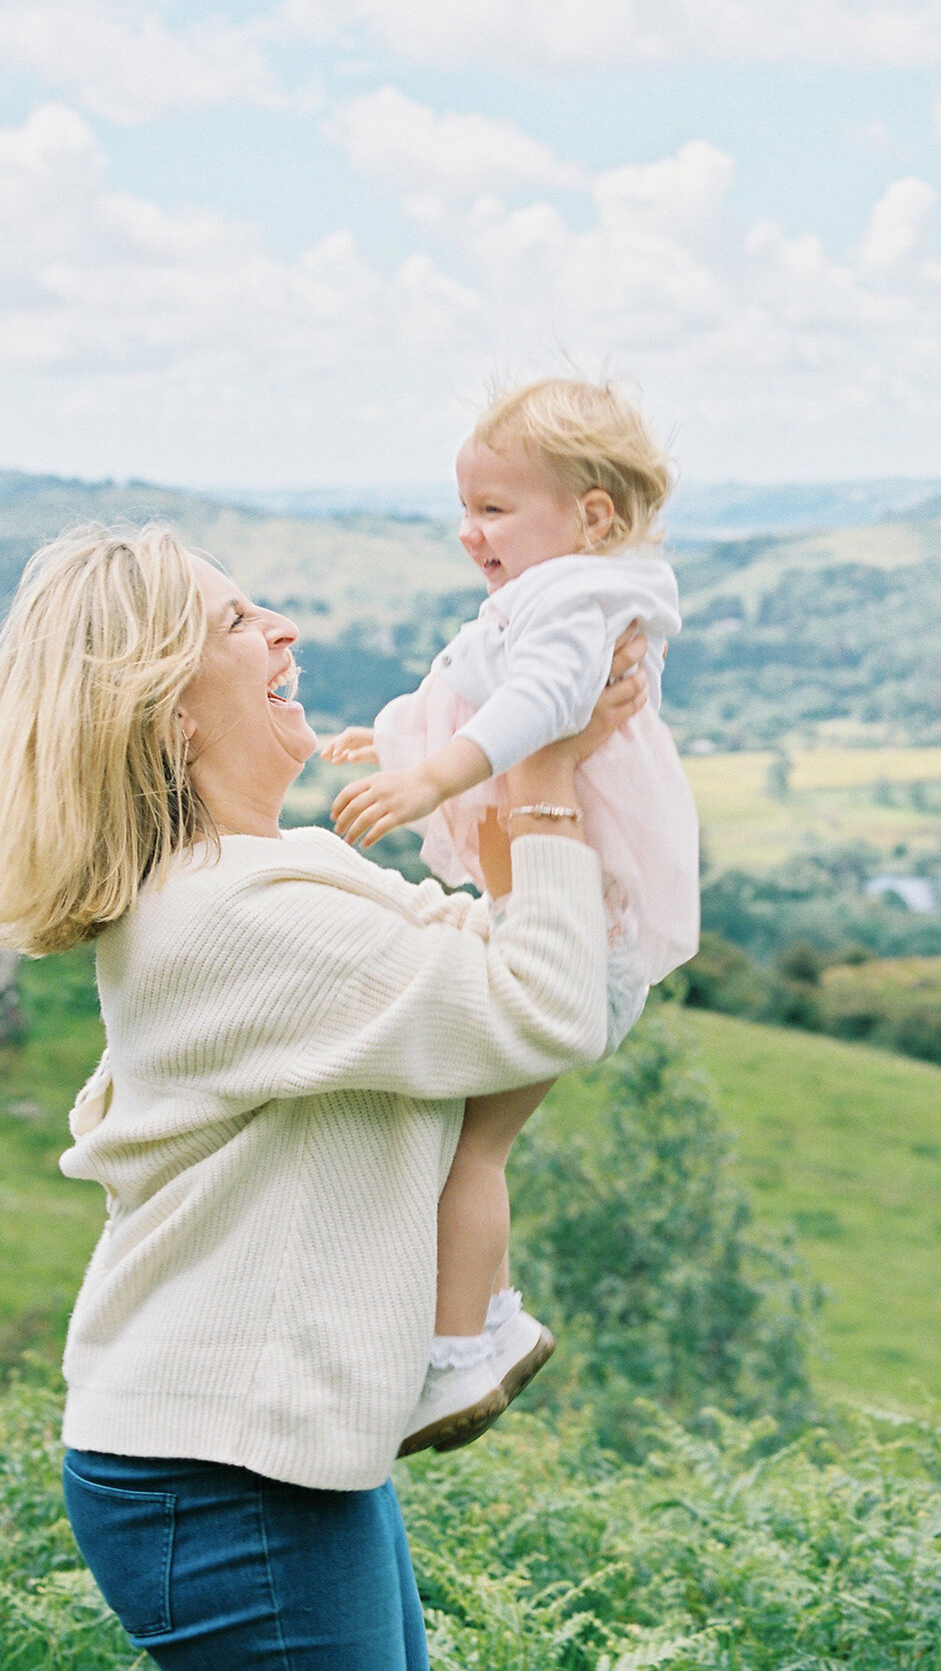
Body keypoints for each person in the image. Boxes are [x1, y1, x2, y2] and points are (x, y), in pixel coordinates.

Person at [0, 523, 641, 1670]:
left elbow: (499, 961)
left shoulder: (276, 872)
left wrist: (534, 751)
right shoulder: (239, 917)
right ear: (172, 714)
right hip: (223, 1469)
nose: (283, 629)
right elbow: (545, 1005)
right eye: (236, 621)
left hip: (265, 1444)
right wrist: (543, 771)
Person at [322, 374, 700, 1451]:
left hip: (587, 905)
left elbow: (535, 704)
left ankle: (456, 1356)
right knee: (473, 1139)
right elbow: (477, 679)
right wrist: (394, 730)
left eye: (494, 508)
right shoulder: (556, 592)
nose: (467, 531)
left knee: (474, 1148)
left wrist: (433, 776)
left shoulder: (580, 598)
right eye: (466, 506)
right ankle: (491, 1322)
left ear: (592, 515)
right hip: (552, 889)